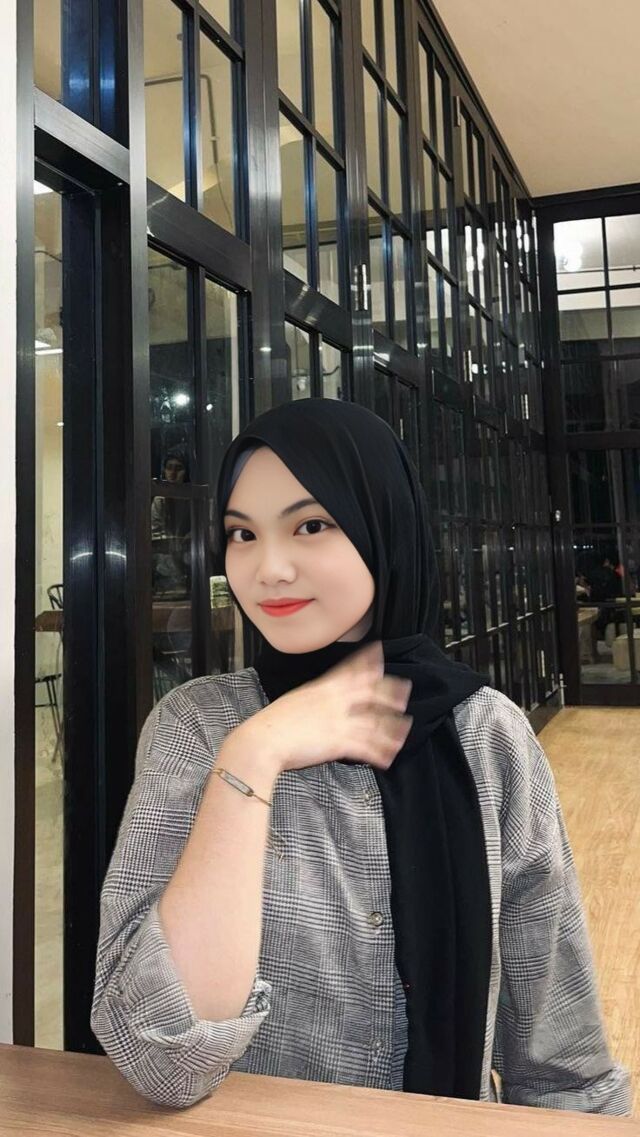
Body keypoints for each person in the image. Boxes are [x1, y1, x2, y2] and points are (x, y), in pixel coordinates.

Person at [92, 399, 630, 1115]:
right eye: (242, 533)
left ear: (385, 527)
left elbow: (560, 1067)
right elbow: (160, 1057)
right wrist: (253, 754)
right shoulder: (198, 727)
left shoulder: (486, 735)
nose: (268, 568)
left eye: (311, 525)